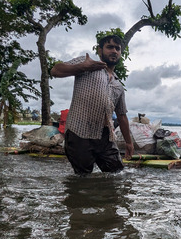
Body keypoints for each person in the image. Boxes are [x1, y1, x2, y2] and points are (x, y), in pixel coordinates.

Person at [51, 35, 134, 175]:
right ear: (100, 51)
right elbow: (55, 71)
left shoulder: (118, 85)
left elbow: (122, 115)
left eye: (117, 48)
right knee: (83, 179)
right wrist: (82, 67)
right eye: (109, 47)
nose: (114, 51)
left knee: (117, 173)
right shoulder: (86, 64)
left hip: (104, 137)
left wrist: (129, 142)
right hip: (79, 133)